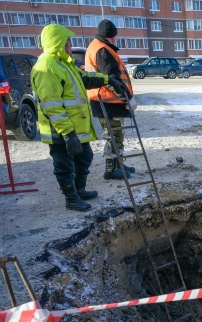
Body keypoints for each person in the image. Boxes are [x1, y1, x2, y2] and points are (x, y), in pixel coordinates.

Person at [31, 24, 127, 211]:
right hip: (60, 129)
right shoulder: (47, 67)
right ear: (57, 42)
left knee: (84, 158)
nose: (70, 44)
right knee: (64, 165)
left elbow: (86, 78)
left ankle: (80, 190)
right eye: (67, 41)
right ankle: (71, 199)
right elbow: (52, 106)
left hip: (75, 127)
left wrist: (109, 80)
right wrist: (68, 134)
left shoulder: (64, 64)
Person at [85, 19, 136, 180]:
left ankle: (118, 164)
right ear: (111, 36)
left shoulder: (99, 47)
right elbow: (112, 79)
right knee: (113, 135)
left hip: (107, 100)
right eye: (115, 36)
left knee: (117, 134)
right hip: (107, 101)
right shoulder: (102, 50)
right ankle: (111, 169)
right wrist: (127, 98)